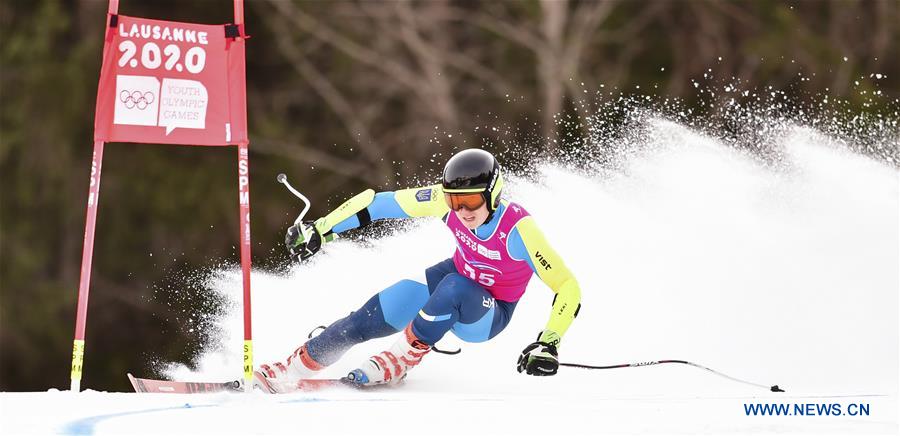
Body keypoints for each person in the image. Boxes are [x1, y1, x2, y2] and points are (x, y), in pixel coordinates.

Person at [253, 148, 581, 392]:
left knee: (453, 285)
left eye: (471, 202)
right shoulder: (444, 201)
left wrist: (548, 342)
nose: (462, 211)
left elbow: (567, 285)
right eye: (455, 202)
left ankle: (402, 358)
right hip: (452, 281)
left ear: (492, 195)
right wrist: (322, 228)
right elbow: (379, 203)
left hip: (486, 313)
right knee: (372, 314)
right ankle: (296, 366)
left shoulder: (519, 231)